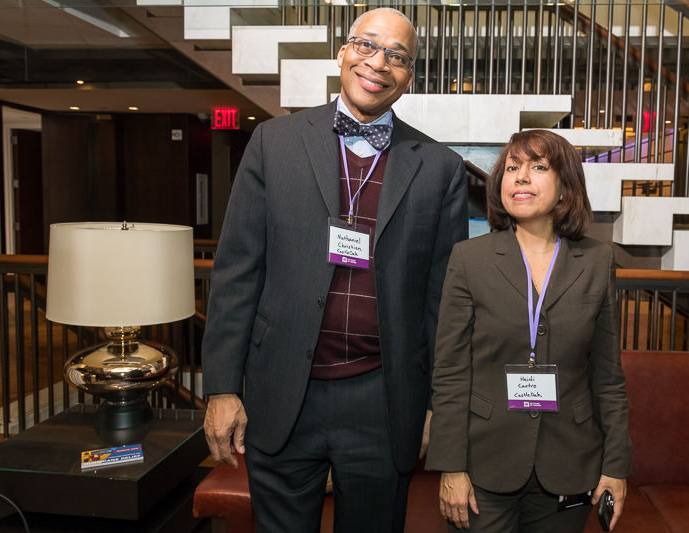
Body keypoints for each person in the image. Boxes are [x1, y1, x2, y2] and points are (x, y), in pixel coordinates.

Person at [201, 7, 468, 532]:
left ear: (409, 76)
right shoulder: (273, 143)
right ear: (343, 52)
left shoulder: (440, 168)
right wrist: (223, 387)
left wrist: (440, 406)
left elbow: (444, 304)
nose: (378, 63)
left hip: (383, 400)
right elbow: (237, 273)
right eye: (367, 45)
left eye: (397, 56)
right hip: (281, 390)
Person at [426, 129, 631, 532]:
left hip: (570, 461)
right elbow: (450, 372)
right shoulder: (470, 259)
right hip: (484, 462)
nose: (520, 176)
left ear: (565, 187)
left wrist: (616, 466)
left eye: (538, 167)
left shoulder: (596, 262)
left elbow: (608, 376)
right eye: (511, 168)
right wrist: (451, 465)